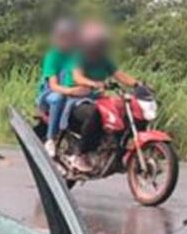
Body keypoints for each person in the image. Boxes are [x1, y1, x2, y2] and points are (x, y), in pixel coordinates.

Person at [60, 20, 141, 159]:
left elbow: (119, 74)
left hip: (98, 99)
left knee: (123, 110)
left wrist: (138, 84)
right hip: (77, 100)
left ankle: (115, 147)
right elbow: (77, 77)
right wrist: (94, 83)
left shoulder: (103, 59)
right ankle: (81, 153)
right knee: (95, 113)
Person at [36, 18, 81, 159]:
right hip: (49, 94)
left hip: (70, 93)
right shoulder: (52, 56)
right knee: (58, 98)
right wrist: (71, 91)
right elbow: (54, 85)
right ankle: (50, 139)